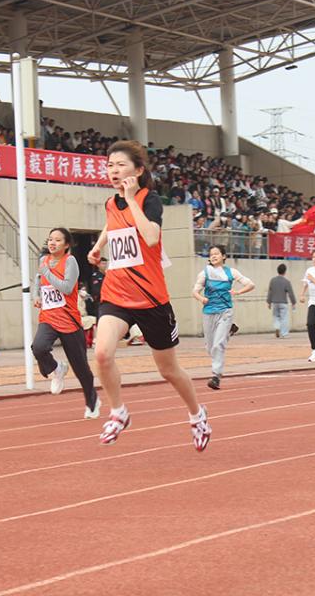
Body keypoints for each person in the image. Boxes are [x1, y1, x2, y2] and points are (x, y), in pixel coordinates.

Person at [87, 140, 212, 451]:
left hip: (151, 299)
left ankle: (197, 415)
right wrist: (99, 246)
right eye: (110, 165)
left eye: (121, 165)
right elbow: (110, 223)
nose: (113, 171)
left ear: (138, 170)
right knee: (102, 354)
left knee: (168, 370)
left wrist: (131, 200)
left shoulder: (149, 199)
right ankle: (118, 412)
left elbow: (152, 237)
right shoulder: (110, 203)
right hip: (116, 294)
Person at [32, 228, 101, 418]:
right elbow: (37, 281)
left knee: (82, 369)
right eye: (50, 239)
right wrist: (36, 295)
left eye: (58, 240)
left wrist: (47, 271)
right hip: (48, 317)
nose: (52, 243)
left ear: (67, 245)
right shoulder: (43, 261)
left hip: (69, 320)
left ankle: (92, 402)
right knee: (38, 347)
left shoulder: (70, 262)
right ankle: (56, 368)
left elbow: (67, 287)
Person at [193, 245, 255, 390]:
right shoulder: (205, 273)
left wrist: (238, 292)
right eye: (211, 254)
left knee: (218, 344)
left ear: (224, 256)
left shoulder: (231, 272)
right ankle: (229, 331)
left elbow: (251, 284)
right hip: (208, 312)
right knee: (210, 347)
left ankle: (216, 376)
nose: (213, 256)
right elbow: (194, 291)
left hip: (225, 311)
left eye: (217, 254)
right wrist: (201, 298)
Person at [267, 263, 297, 338]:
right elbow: (290, 293)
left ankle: (277, 327)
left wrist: (269, 302)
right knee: (284, 318)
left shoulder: (272, 280)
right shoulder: (286, 281)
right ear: (285, 271)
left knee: (276, 316)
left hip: (275, 302)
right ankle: (284, 333)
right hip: (283, 302)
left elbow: (270, 292)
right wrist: (293, 302)